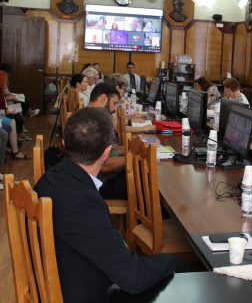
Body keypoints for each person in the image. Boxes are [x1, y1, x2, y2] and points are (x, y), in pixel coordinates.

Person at [34, 108, 186, 302]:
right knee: (178, 272)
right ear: (106, 152)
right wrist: (174, 262)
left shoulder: (49, 179)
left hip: (62, 278)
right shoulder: (83, 202)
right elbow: (134, 279)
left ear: (64, 143)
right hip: (85, 294)